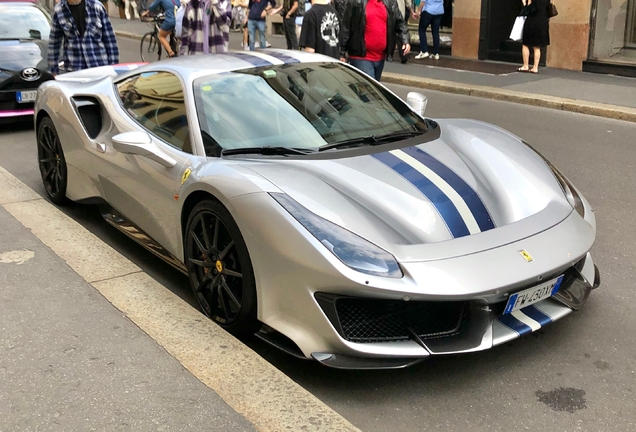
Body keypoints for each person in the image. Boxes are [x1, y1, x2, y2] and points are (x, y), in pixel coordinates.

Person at [339, 0, 410, 81]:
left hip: (380, 57)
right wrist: (342, 52)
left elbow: (399, 22)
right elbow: (346, 27)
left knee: (373, 90)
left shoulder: (390, 2)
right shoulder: (355, 2)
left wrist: (405, 40)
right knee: (369, 90)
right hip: (361, 56)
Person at [47, 0, 119, 76]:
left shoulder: (97, 7)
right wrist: (53, 71)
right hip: (74, 71)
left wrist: (114, 68)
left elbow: (110, 40)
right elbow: (54, 43)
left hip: (99, 68)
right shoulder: (59, 10)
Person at [518, 0, 550, 74]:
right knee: (537, 46)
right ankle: (535, 67)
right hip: (543, 22)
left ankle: (526, 65)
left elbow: (529, 10)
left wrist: (525, 3)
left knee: (525, 44)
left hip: (532, 21)